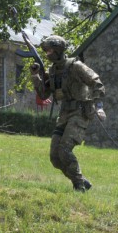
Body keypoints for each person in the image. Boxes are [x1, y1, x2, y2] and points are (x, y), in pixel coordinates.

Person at [30, 35, 105, 192]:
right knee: (55, 157)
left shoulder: (75, 66)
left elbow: (96, 82)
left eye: (49, 50)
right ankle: (81, 180)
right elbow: (44, 95)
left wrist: (99, 106)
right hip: (64, 113)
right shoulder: (53, 71)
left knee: (64, 150)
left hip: (80, 112)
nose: (47, 54)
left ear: (58, 50)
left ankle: (79, 186)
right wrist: (35, 76)